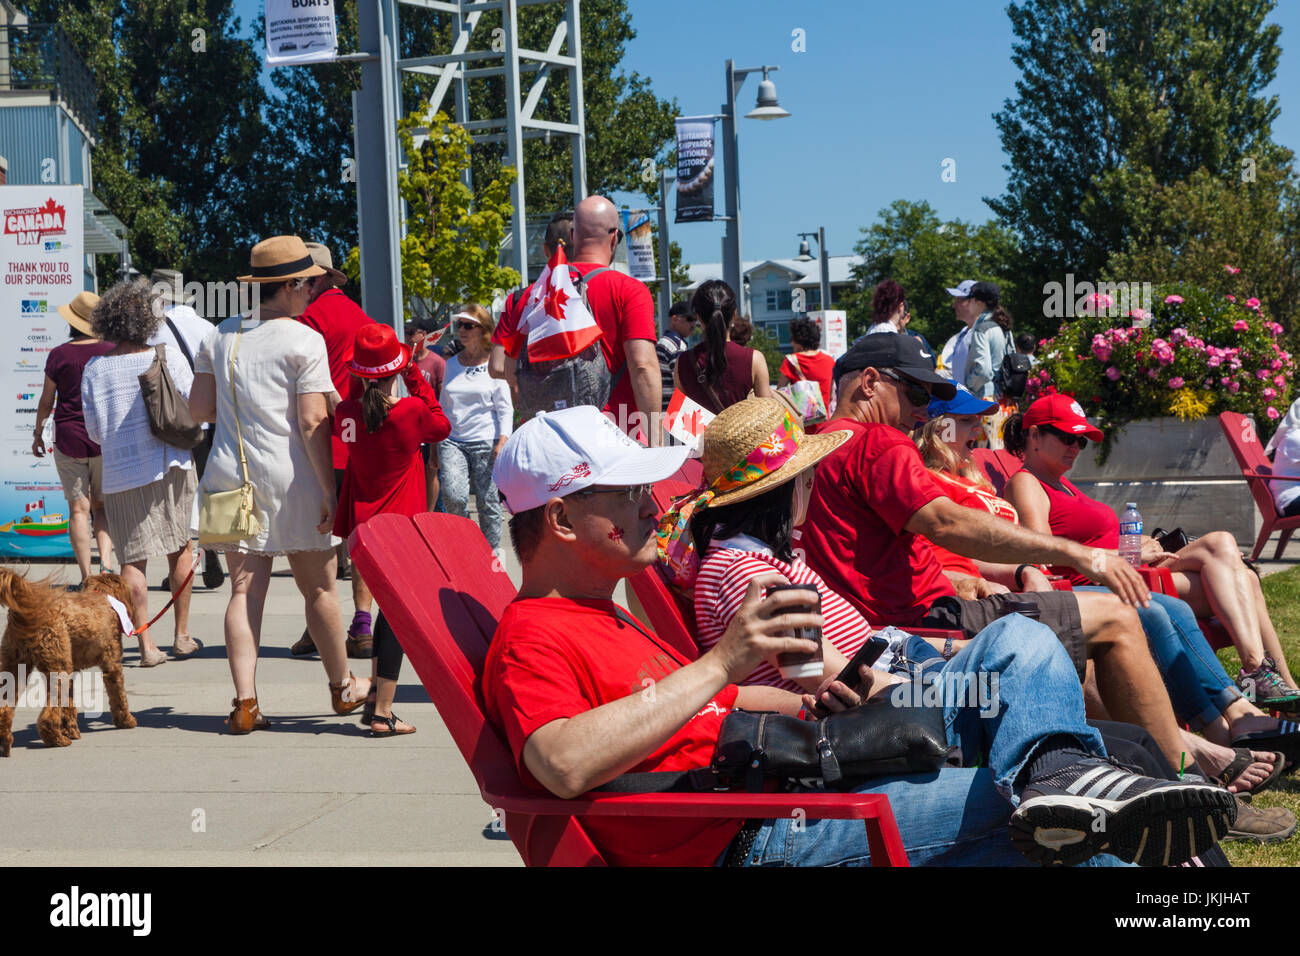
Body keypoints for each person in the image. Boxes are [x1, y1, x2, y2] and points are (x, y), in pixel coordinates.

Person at [481, 404, 1235, 866]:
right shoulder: (532, 635)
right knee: (1064, 826)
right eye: (626, 494)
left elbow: (701, 709)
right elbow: (560, 761)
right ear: (559, 519)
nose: (651, 506)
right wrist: (721, 664)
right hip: (761, 834)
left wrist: (804, 699)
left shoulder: (607, 616)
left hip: (797, 780)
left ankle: (1061, 779)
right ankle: (1077, 795)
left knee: (1032, 663)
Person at [677, 398, 1265, 848]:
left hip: (904, 664)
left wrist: (934, 649)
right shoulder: (752, 575)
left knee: (1112, 725)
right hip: (891, 705)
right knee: (1027, 642)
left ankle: (1155, 788)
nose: (811, 483)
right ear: (779, 490)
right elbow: (836, 680)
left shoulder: (760, 560)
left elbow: (841, 657)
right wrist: (954, 671)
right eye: (803, 475)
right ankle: (1090, 777)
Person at [797, 333, 1241, 771]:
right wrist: (1083, 555)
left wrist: (986, 576)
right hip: (924, 622)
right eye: (916, 391)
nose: (925, 409)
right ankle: (1186, 774)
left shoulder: (814, 448)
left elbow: (864, 556)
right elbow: (948, 525)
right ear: (869, 383)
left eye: (932, 397)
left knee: (1110, 628)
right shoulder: (878, 441)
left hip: (888, 626)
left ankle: (1173, 757)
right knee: (1120, 617)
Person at [916, 391, 1293, 808]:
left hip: (1079, 576)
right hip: (1057, 586)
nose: (978, 431)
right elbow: (1027, 548)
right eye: (967, 422)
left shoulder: (979, 482)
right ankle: (1213, 739)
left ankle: (1252, 705)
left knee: (1222, 570)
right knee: (1164, 600)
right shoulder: (950, 484)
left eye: (1081, 441)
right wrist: (1038, 569)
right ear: (938, 426)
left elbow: (1012, 552)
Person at [1003, 394, 1300, 707]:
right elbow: (1043, 554)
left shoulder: (1063, 484)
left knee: (1229, 554)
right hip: (1102, 583)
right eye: (1066, 438)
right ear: (1034, 435)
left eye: (1081, 441)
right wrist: (1123, 553)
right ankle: (1256, 671)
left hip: (1129, 568)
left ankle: (1282, 687)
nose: (1075, 447)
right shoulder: (1026, 483)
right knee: (1233, 565)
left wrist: (1138, 545)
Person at [189, 236, 371, 733]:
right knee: (319, 588)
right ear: (289, 286)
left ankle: (245, 702)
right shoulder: (302, 339)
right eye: (309, 282)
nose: (313, 290)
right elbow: (313, 421)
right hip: (291, 478)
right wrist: (330, 492)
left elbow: (198, 410)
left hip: (226, 476)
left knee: (243, 592)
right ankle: (342, 686)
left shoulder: (218, 335)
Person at [334, 324, 450, 737]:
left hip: (362, 531)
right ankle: (383, 712)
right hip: (400, 530)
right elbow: (441, 424)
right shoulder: (410, 412)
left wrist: (362, 376)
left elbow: (354, 404)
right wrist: (415, 372)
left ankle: (373, 704)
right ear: (395, 371)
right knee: (397, 621)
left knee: (388, 617)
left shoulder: (346, 415)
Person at [81, 281, 199, 667]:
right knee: (181, 547)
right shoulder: (166, 357)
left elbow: (96, 432)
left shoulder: (94, 369)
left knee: (133, 560)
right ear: (148, 319)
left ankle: (146, 646)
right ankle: (182, 636)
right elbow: (193, 407)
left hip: (120, 474)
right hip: (172, 464)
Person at [292, 241, 377, 658]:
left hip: (320, 443)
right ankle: (362, 621)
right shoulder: (360, 315)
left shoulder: (307, 318)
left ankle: (318, 623)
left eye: (301, 278)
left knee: (317, 540)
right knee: (359, 536)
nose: (296, 286)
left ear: (317, 278)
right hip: (357, 440)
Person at [146, 269, 224, 589]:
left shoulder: (152, 330)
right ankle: (213, 549)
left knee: (177, 498)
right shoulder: (209, 328)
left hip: (172, 425)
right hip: (210, 423)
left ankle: (180, 566)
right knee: (209, 492)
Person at [35, 291, 116, 581]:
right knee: (103, 507)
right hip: (105, 438)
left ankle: (86, 576)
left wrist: (37, 434)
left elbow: (47, 400)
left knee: (78, 510)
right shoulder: (112, 350)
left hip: (69, 437)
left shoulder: (59, 354)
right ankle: (106, 566)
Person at [439, 303, 513, 553]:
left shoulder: (494, 362)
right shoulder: (451, 365)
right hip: (452, 441)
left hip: (486, 440)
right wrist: (435, 445)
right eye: (459, 325)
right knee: (454, 496)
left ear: (483, 329)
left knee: (488, 502)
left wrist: (503, 440)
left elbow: (505, 407)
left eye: (468, 325)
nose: (461, 329)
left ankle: (492, 555)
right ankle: (466, 547)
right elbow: (443, 405)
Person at [489, 210, 572, 403]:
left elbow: (497, 367)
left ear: (545, 250)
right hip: (601, 418)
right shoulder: (606, 287)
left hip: (540, 416)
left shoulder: (517, 299)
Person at [675, 280, 771, 414]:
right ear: (734, 314)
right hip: (742, 434)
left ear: (699, 318)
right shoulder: (754, 359)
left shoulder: (683, 362)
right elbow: (769, 414)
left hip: (700, 435)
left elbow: (678, 415)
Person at [407, 319, 446, 509]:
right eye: (406, 332)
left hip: (430, 422)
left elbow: (442, 397)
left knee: (431, 469)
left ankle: (429, 513)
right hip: (409, 423)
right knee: (412, 470)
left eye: (412, 332)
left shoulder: (437, 362)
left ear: (424, 335)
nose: (408, 336)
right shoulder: (406, 361)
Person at [778, 316, 833, 409]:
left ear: (798, 340)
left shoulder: (791, 361)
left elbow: (779, 392)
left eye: (792, 339)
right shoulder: (829, 361)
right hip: (823, 420)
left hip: (800, 421)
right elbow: (830, 397)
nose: (791, 343)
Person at [655, 301, 696, 411]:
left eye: (695, 320)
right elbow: (683, 382)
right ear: (674, 319)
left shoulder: (662, 342)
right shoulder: (676, 345)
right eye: (689, 319)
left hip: (663, 408)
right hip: (674, 410)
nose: (693, 324)